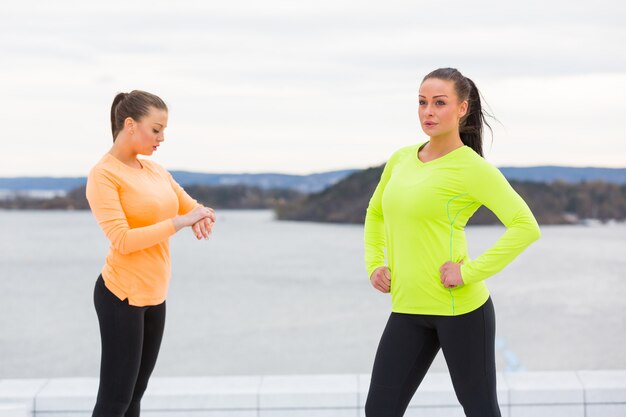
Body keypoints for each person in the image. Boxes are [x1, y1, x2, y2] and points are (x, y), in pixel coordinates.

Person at [363, 68, 541, 417]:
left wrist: (469, 272)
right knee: (379, 411)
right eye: (422, 102)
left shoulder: (472, 168)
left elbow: (525, 226)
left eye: (439, 103)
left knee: (480, 410)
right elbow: (375, 212)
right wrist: (374, 264)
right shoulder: (401, 159)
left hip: (461, 311)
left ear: (462, 108)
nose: (428, 111)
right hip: (408, 309)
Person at [86, 90, 215, 417]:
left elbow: (191, 207)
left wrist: (204, 215)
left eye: (164, 130)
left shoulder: (156, 171)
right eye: (156, 129)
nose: (162, 137)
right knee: (115, 401)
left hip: (155, 295)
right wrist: (180, 222)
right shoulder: (104, 175)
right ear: (130, 124)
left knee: (134, 397)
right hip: (121, 297)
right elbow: (123, 239)